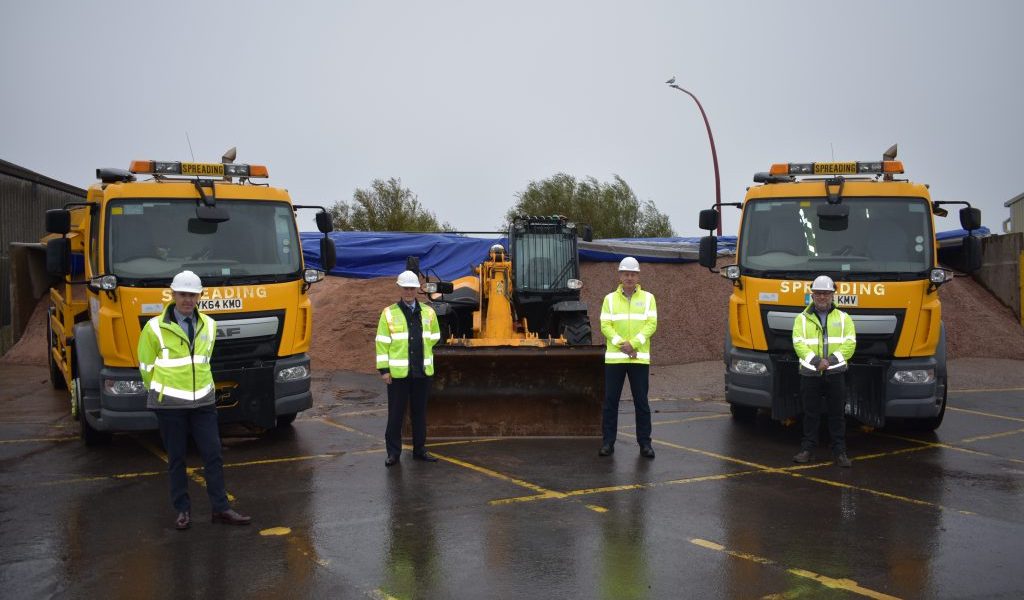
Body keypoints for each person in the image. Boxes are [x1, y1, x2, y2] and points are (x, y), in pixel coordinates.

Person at [137, 270, 251, 529]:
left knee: (213, 455)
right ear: (173, 294)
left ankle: (220, 509)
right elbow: (145, 365)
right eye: (183, 294)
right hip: (170, 405)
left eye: (192, 295)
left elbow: (204, 360)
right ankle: (182, 511)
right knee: (176, 459)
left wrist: (203, 391)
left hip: (203, 402)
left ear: (200, 296)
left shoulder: (209, 325)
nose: (187, 299)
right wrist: (161, 392)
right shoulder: (154, 327)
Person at [376, 270, 442, 467]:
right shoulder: (389, 313)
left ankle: (419, 450)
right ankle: (393, 453)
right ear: (400, 289)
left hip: (421, 372)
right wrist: (384, 370)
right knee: (395, 415)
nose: (408, 291)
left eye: (412, 288)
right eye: (405, 288)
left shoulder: (428, 312)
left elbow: (435, 336)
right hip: (398, 374)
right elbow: (381, 343)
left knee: (419, 414)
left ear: (416, 290)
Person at [792, 275, 857, 468]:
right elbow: (798, 343)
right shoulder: (801, 319)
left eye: (826, 293)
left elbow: (850, 344)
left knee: (837, 414)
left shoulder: (844, 318)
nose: (822, 297)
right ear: (812, 295)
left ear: (832, 295)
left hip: (835, 374)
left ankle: (839, 452)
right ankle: (807, 450)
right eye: (818, 293)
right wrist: (815, 361)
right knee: (810, 414)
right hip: (810, 373)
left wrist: (828, 362)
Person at [598, 257, 658, 459]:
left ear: (638, 275)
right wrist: (622, 345)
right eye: (626, 273)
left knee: (641, 402)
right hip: (615, 359)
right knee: (610, 402)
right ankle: (608, 443)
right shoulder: (609, 299)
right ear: (620, 275)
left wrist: (634, 344)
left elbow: (651, 324)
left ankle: (645, 444)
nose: (629, 277)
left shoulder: (649, 298)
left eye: (633, 274)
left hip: (638, 358)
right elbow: (605, 326)